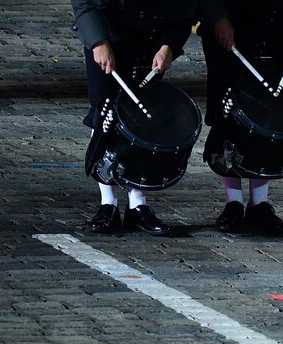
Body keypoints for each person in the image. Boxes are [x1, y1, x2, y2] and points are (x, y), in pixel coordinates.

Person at [73, 0, 198, 235]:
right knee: (104, 112)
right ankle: (107, 204)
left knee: (143, 115)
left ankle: (138, 205)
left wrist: (168, 46)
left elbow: (186, 10)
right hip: (108, 31)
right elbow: (84, 3)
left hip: (151, 36)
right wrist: (98, 41)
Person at [200, 0, 283, 234]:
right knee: (228, 112)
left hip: (273, 30)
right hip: (227, 26)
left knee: (266, 113)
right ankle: (233, 202)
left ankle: (259, 203)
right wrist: (218, 18)